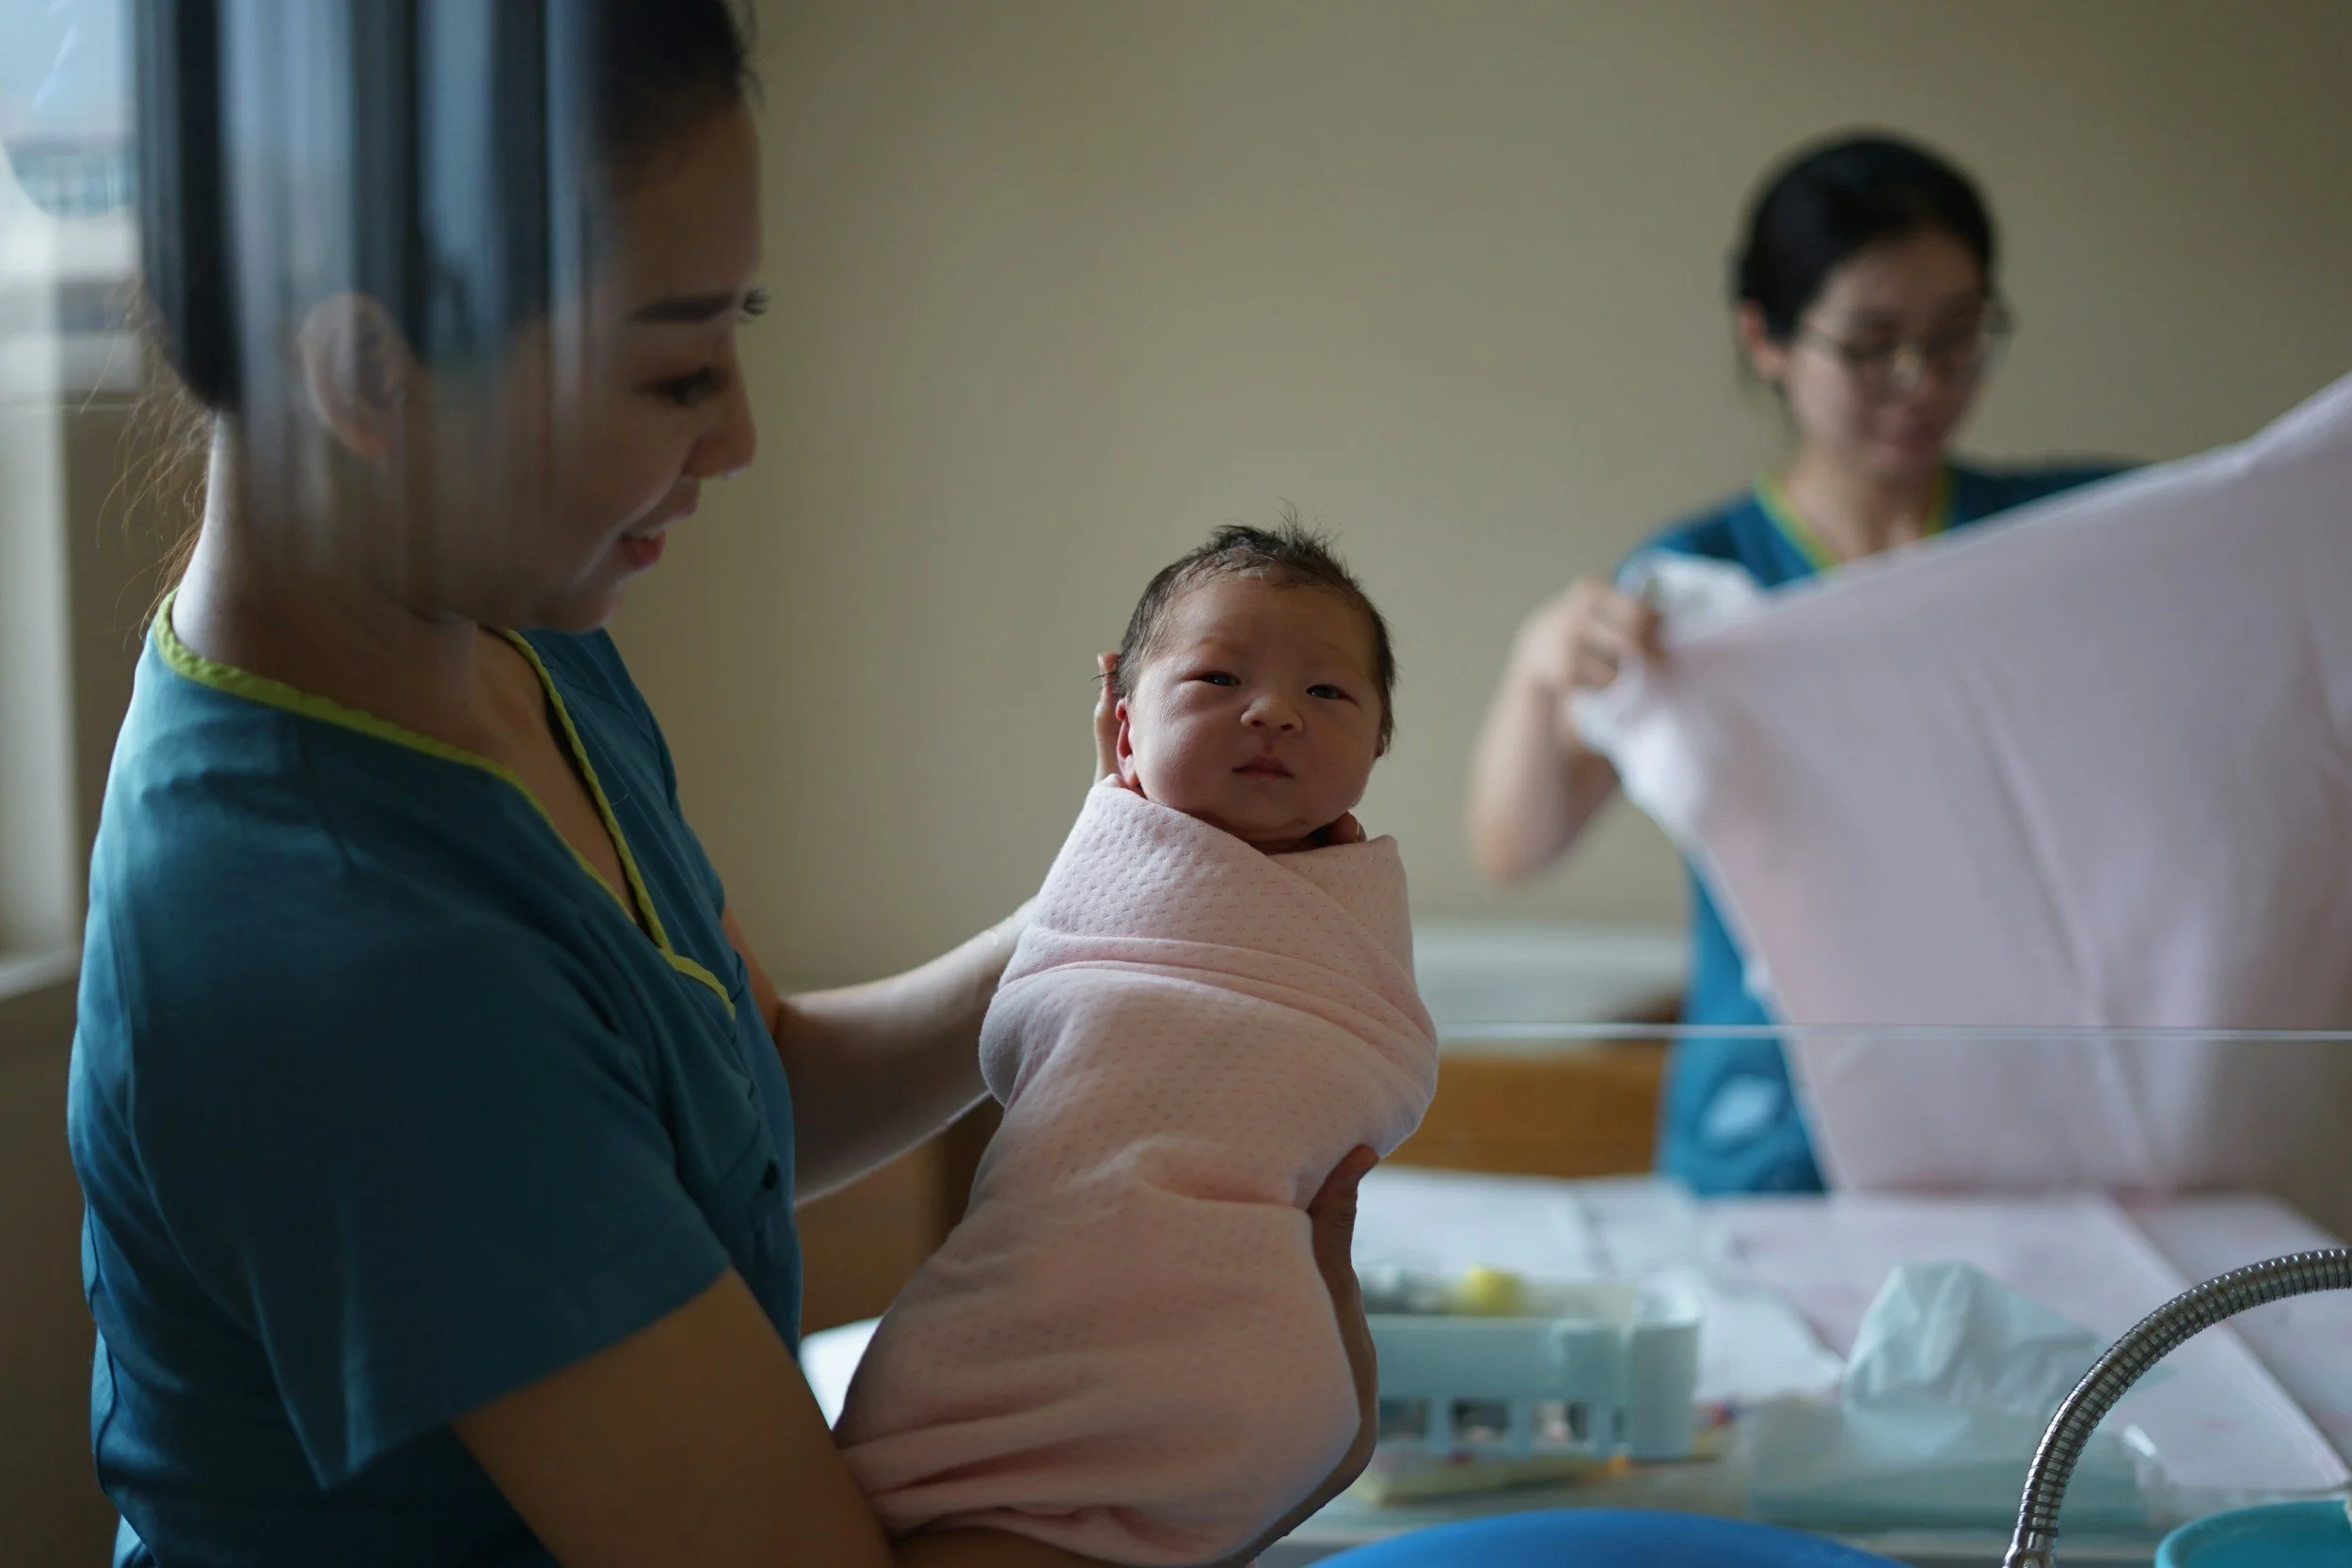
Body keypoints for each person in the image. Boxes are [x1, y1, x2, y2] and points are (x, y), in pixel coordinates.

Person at [68, 5, 1372, 1565]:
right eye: (677, 368)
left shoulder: (491, 642)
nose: (739, 434)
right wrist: (1255, 1447)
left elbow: (742, 1092)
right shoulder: (354, 955)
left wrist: (1160, 905)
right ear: (367, 371)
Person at [1465, 132, 2127, 1196]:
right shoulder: (1691, 584)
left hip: (2029, 1129)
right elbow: (1515, 844)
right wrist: (1536, 671)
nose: (1919, 382)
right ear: (1765, 337)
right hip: (1765, 1131)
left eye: (1957, 337)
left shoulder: (2069, 543)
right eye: (1869, 345)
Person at [838, 526, 1431, 1563]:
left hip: (1251, 1371)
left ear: (1379, 744)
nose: (1274, 710)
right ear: (1122, 729)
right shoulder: (1101, 884)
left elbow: (1367, 1069)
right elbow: (1058, 1010)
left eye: (1328, 694)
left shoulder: (1354, 925)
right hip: (1044, 1327)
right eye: (1216, 675)